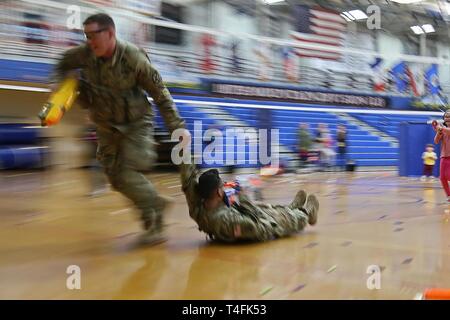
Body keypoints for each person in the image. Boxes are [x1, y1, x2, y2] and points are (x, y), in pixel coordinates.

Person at [50, 13, 185, 245]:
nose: (90, 41)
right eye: (86, 35)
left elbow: (160, 94)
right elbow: (63, 62)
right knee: (115, 178)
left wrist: (178, 128)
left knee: (129, 170)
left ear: (110, 33)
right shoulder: (85, 54)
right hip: (105, 124)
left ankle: (154, 213)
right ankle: (154, 211)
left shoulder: (133, 58)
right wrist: (60, 86)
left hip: (136, 123)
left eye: (94, 35)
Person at [178, 130, 319, 243]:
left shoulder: (198, 208)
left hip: (245, 217)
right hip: (262, 228)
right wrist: (243, 195)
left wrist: (184, 147)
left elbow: (188, 181)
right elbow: (255, 221)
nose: (224, 189)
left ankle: (290, 208)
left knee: (265, 207)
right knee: (281, 218)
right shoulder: (228, 220)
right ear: (218, 193)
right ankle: (306, 213)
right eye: (222, 187)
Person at [433, 112, 450, 202]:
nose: (447, 118)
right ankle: (449, 195)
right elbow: (436, 141)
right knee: (442, 177)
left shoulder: (444, 129)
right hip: (444, 156)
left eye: (449, 116)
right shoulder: (443, 129)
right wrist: (438, 132)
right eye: (446, 116)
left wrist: (440, 128)